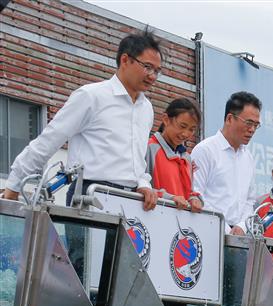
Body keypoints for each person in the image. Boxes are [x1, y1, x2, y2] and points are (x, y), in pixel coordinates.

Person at [1, 30, 162, 278]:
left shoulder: (146, 108)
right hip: (90, 196)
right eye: (147, 67)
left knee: (117, 283)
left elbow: (137, 158)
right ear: (125, 60)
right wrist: (13, 185)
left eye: (157, 71)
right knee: (85, 279)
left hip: (128, 201)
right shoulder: (91, 96)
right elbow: (49, 140)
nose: (152, 76)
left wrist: (143, 183)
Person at [192, 91, 262, 234]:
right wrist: (224, 227)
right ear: (229, 118)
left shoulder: (248, 158)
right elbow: (196, 194)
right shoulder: (205, 150)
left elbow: (249, 200)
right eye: (249, 123)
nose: (252, 129)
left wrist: (242, 226)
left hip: (238, 236)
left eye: (256, 125)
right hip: (207, 231)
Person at [146, 98, 203, 212]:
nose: (186, 134)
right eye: (182, 126)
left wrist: (194, 199)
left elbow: (189, 191)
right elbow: (140, 187)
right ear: (166, 119)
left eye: (192, 129)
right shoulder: (149, 148)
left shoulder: (186, 157)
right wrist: (171, 199)